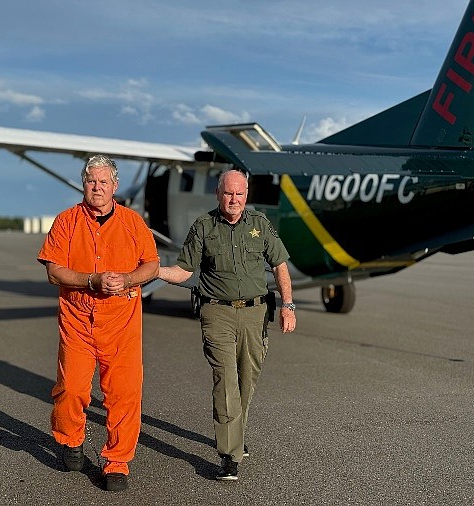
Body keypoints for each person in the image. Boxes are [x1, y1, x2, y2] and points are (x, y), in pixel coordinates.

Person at [158, 169, 296, 481]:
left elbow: (279, 265)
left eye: (240, 194)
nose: (234, 200)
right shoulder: (204, 226)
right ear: (218, 194)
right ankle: (230, 455)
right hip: (216, 314)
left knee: (247, 380)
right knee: (226, 380)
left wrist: (288, 305)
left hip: (255, 314)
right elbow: (183, 271)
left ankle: (236, 434)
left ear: (246, 196)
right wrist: (152, 270)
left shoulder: (259, 224)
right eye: (228, 193)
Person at [37, 154, 159, 492]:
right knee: (71, 389)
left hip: (122, 324)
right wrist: (92, 280)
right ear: (83, 184)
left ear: (115, 186)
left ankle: (116, 462)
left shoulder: (133, 223)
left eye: (103, 182)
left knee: (124, 394)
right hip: (77, 322)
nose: (97, 187)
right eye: (92, 181)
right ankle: (71, 439)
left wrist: (130, 279)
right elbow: (53, 271)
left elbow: (151, 265)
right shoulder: (66, 222)